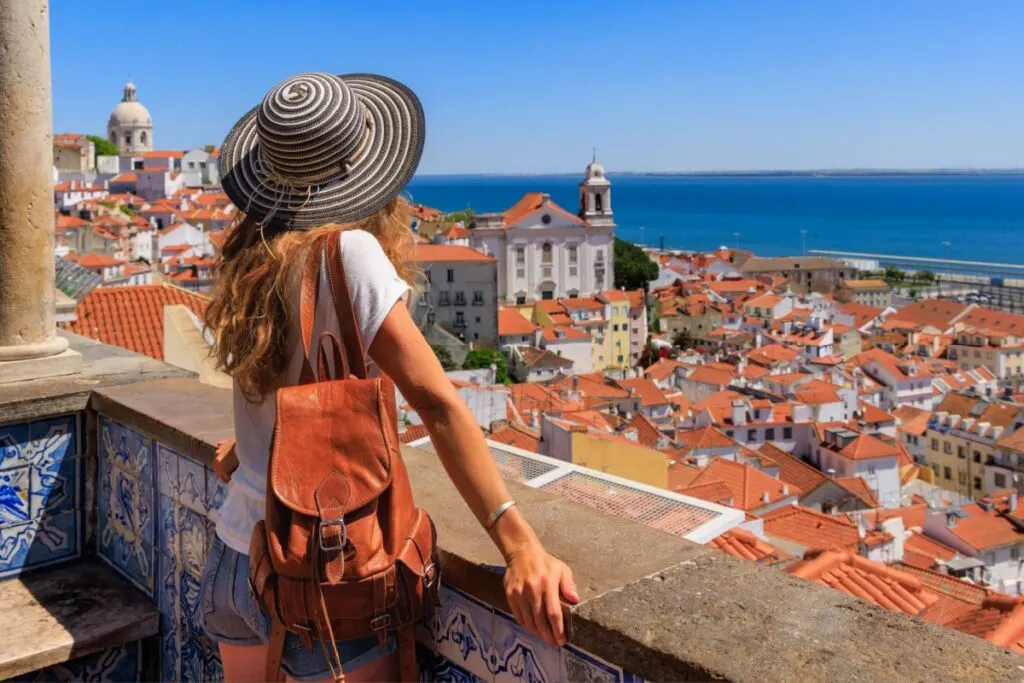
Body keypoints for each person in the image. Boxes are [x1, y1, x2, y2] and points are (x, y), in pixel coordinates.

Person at [199, 72, 577, 683]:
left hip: (235, 555)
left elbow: (277, 388)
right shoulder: (348, 251)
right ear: (363, 168)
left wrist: (251, 453)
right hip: (319, 579)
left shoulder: (255, 254)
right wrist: (519, 543)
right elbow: (439, 404)